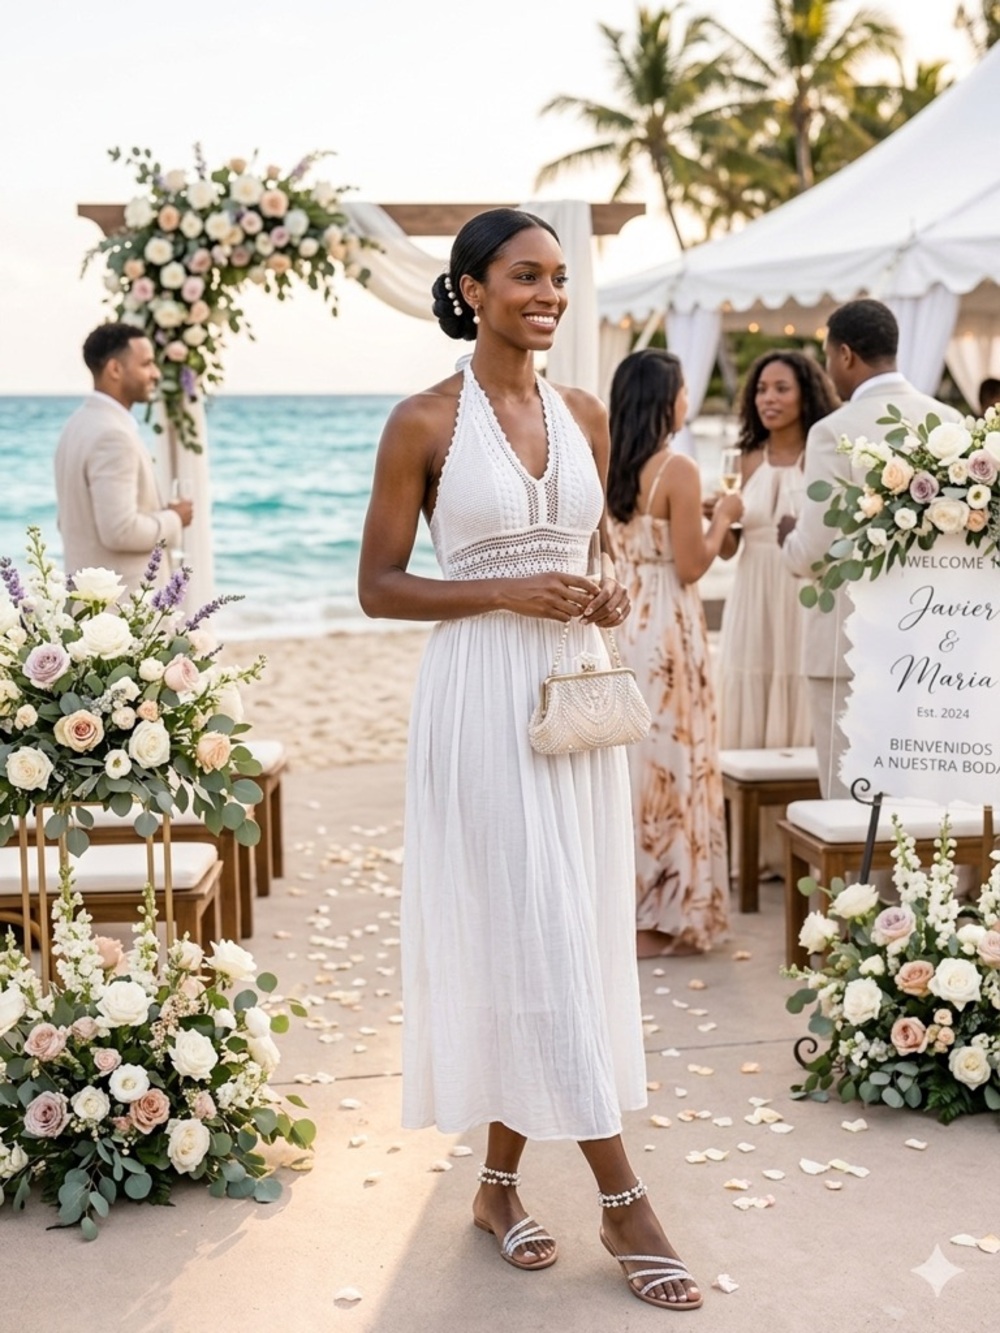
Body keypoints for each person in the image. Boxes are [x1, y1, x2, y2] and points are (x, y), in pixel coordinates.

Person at [358, 210, 702, 1312]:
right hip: (477, 703)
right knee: (537, 929)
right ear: (469, 287)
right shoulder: (422, 421)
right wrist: (501, 588)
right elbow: (380, 586)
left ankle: (497, 1187)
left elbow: (589, 551)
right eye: (524, 276)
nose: (548, 294)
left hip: (573, 697)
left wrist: (598, 586)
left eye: (558, 277)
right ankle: (622, 1198)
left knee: (561, 928)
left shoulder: (588, 415)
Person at [779, 299, 960, 795]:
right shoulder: (950, 424)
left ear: (845, 354)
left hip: (847, 644)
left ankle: (859, 878)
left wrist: (787, 539)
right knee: (918, 793)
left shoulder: (831, 432)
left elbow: (814, 552)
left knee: (850, 797)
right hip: (931, 642)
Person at [605, 348, 742, 958]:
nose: (689, 398)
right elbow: (691, 564)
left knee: (631, 768)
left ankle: (621, 908)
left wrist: (697, 516)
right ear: (668, 399)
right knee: (672, 764)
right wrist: (725, 517)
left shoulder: (604, 461)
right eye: (685, 389)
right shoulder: (679, 468)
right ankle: (658, 918)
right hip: (666, 626)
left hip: (620, 620)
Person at [714, 351, 839, 872]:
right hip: (752, 595)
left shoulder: (822, 456)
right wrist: (720, 520)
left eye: (781, 388)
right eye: (762, 388)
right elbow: (725, 551)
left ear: (806, 393)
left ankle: (804, 845)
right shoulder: (744, 460)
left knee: (799, 697)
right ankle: (759, 852)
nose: (768, 398)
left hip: (801, 596)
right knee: (754, 694)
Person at [54, 322, 192, 590]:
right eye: (147, 364)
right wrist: (175, 519)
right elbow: (120, 531)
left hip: (87, 603)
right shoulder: (112, 436)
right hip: (121, 610)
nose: (155, 373)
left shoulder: (76, 425)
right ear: (115, 369)